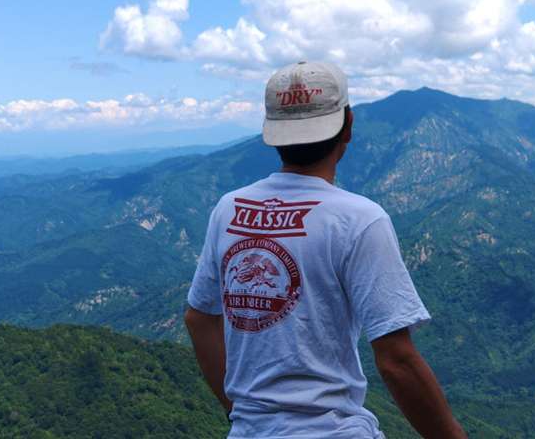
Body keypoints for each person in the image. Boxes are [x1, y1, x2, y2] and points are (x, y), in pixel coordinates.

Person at [184, 62, 466, 438]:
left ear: (272, 132)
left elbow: (199, 319)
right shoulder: (359, 219)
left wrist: (241, 411)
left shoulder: (229, 209)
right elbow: (397, 361)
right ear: (347, 125)